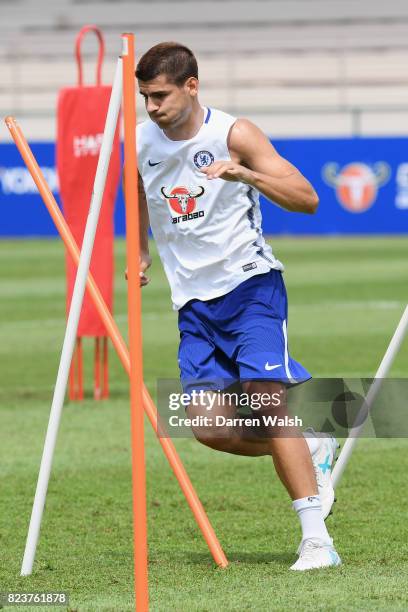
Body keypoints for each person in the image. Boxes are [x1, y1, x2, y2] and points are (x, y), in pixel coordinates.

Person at [133, 42, 341, 571]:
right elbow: (140, 192)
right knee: (204, 425)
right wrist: (138, 251)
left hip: (250, 285)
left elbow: (307, 197)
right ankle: (309, 444)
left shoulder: (234, 133)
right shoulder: (138, 141)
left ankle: (316, 539)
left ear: (192, 86)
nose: (152, 107)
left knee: (265, 400)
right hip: (192, 302)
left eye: (159, 96)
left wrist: (244, 174)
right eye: (144, 97)